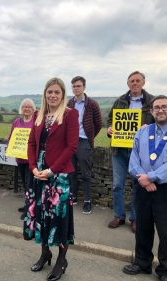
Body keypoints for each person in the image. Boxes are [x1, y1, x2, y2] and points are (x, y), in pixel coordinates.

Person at [123, 95, 167, 281]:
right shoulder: (142, 132)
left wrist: (151, 177)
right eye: (156, 107)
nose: (160, 110)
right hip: (142, 186)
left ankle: (166, 270)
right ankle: (142, 263)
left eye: (164, 107)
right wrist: (143, 179)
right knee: (143, 228)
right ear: (151, 111)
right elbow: (134, 158)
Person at [24, 78, 79, 281]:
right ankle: (45, 253)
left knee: (59, 217)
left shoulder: (70, 115)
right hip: (38, 174)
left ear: (63, 95)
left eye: (57, 92)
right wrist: (33, 167)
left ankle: (61, 260)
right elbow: (31, 144)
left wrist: (51, 170)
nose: (53, 96)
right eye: (49, 92)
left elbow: (71, 147)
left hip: (59, 175)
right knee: (41, 215)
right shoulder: (38, 115)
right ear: (45, 94)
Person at [106, 71, 154, 233]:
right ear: (128, 84)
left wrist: (149, 128)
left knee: (137, 186)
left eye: (138, 81)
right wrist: (109, 129)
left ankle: (135, 219)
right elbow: (110, 119)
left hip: (140, 152)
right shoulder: (120, 101)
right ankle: (119, 216)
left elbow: (160, 123)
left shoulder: (152, 102)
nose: (135, 83)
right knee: (117, 185)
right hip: (119, 149)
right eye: (132, 81)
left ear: (143, 83)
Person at [67, 76, 102, 214]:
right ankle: (73, 196)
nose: (76, 88)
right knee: (71, 172)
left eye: (78, 86)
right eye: (73, 86)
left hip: (84, 141)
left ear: (84, 87)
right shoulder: (69, 103)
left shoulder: (92, 104)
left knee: (86, 174)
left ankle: (87, 201)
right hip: (70, 142)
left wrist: (89, 138)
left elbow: (98, 124)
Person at [7, 98, 36, 219]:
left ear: (33, 109)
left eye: (29, 107)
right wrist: (9, 147)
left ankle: (30, 210)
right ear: (21, 109)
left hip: (31, 160)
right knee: (25, 183)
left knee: (30, 184)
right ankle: (27, 204)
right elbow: (11, 137)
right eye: (24, 107)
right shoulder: (16, 122)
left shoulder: (36, 122)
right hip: (20, 159)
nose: (27, 109)